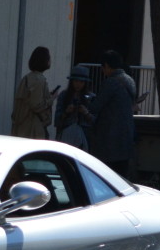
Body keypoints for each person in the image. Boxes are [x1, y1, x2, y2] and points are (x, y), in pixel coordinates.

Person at [87, 50, 137, 178]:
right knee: (122, 177)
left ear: (107, 65)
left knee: (108, 178)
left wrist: (88, 99)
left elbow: (95, 107)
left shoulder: (111, 82)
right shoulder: (130, 80)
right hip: (126, 138)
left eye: (102, 67)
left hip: (110, 140)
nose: (102, 71)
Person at [11, 46, 56, 139]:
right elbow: (37, 105)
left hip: (22, 126)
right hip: (32, 128)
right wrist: (51, 99)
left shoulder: (28, 78)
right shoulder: (39, 80)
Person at [54, 65, 94, 150]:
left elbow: (95, 122)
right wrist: (66, 112)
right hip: (66, 136)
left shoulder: (91, 97)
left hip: (85, 137)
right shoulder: (64, 96)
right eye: (76, 81)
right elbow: (57, 121)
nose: (78, 84)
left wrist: (86, 113)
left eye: (81, 82)